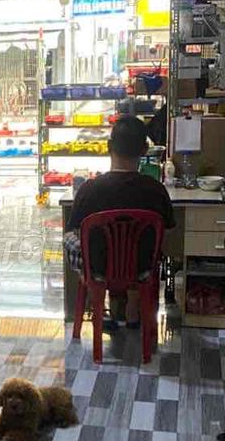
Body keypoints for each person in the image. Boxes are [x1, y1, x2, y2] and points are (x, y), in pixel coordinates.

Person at [64, 115, 175, 325]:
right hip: (141, 268)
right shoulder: (156, 190)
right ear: (144, 150)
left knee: (70, 237)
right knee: (154, 242)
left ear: (108, 146)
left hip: (99, 268)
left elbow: (78, 231)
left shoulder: (89, 189)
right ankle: (133, 301)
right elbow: (167, 235)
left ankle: (94, 298)